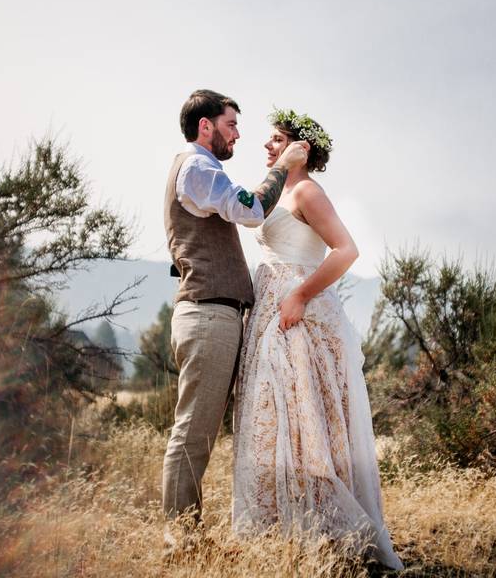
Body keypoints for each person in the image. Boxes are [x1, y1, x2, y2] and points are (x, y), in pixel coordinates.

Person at [231, 108, 403, 570]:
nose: (267, 146)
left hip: (296, 311)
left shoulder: (306, 190)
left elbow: (347, 250)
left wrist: (301, 295)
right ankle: (276, 527)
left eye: (277, 139)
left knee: (304, 416)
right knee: (271, 414)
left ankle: (326, 531)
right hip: (269, 308)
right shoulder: (277, 189)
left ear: (301, 148)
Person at [162, 90, 308, 532]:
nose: (238, 135)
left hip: (214, 314)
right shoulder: (199, 167)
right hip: (208, 315)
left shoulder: (196, 168)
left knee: (200, 432)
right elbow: (249, 210)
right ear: (205, 126)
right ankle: (180, 540)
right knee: (193, 433)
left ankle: (186, 531)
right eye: (230, 125)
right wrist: (283, 167)